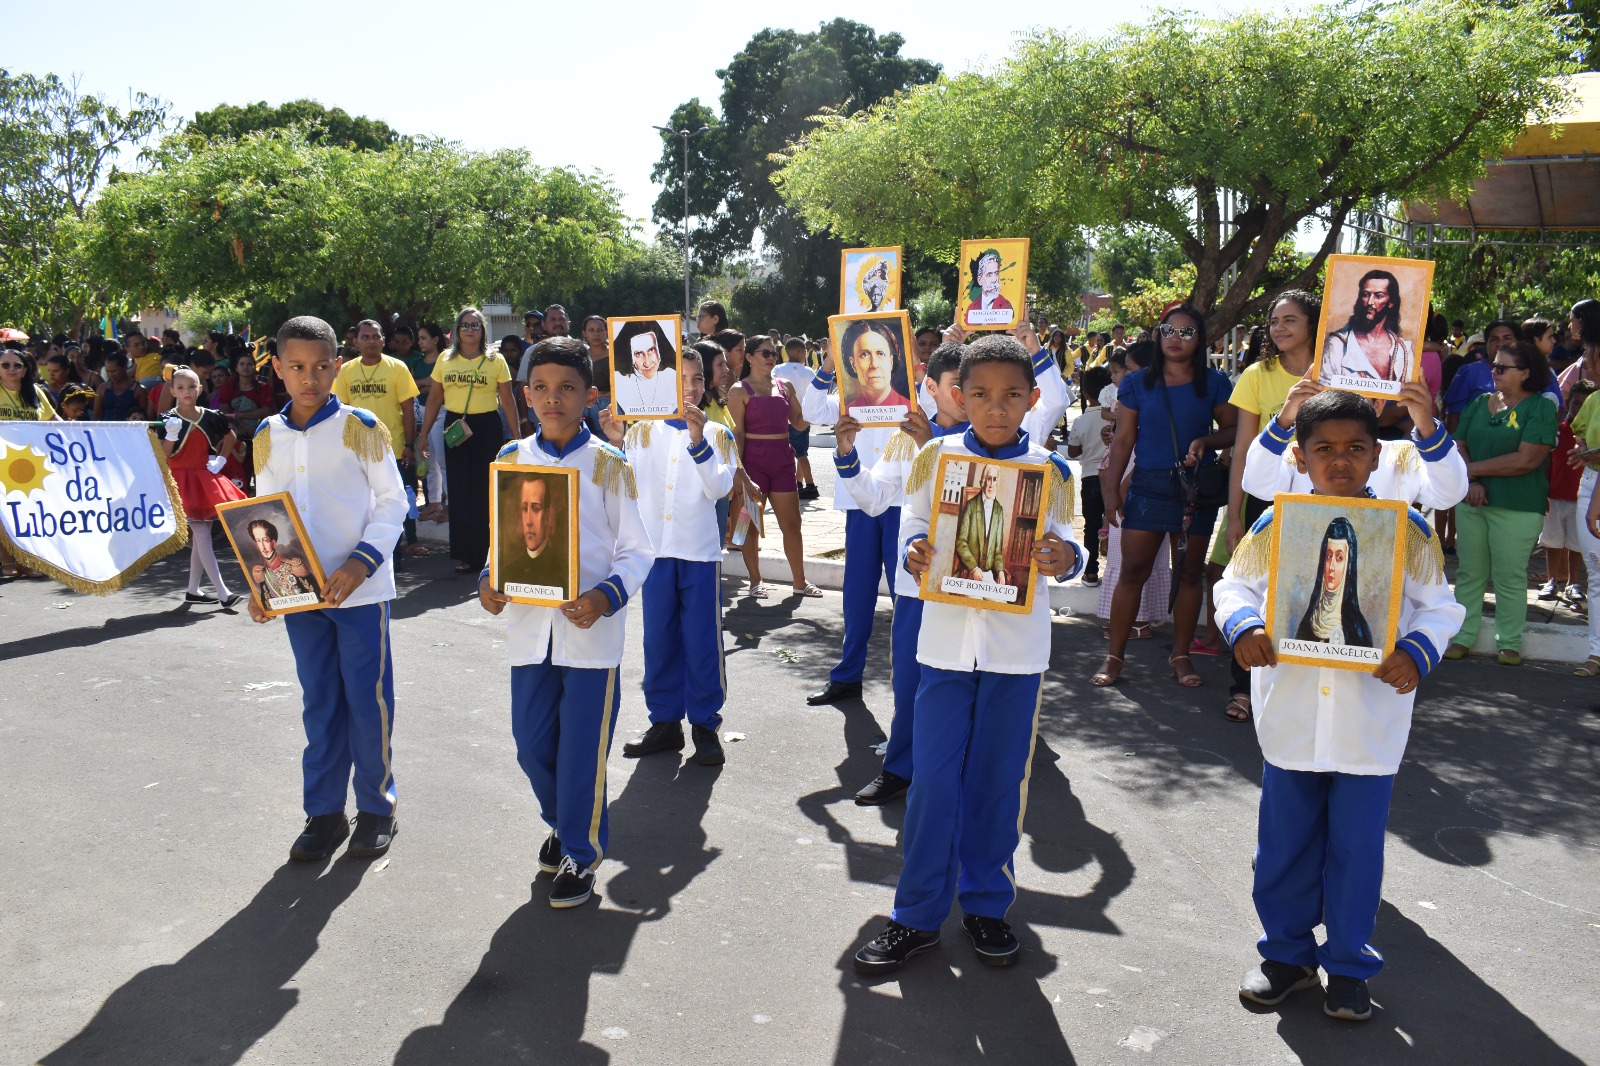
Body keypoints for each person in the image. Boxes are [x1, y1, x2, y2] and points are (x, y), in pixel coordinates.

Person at [1217, 388, 1463, 1023]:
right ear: (1300, 458)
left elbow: (1440, 608)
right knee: (1284, 848)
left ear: (1377, 455)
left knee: (1355, 854)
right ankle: (1285, 957)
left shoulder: (1406, 530)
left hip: (1368, 722)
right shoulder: (1277, 524)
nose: (1340, 460)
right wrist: (1244, 626)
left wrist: (1417, 650)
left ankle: (1350, 966)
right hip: (1292, 717)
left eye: (1356, 448)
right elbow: (1233, 586)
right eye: (1323, 449)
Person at [850, 334, 1085, 976]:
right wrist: (915, 551)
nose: (995, 407)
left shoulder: (1052, 471)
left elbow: (1071, 544)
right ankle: (916, 914)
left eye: (1011, 395)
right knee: (931, 783)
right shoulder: (936, 457)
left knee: (997, 782)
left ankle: (985, 904)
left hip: (1015, 655)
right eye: (980, 394)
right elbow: (914, 525)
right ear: (959, 395)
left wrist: (1064, 557)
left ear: (1032, 399)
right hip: (945, 651)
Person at [476, 336, 654, 908]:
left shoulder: (608, 463)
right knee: (530, 744)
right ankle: (563, 819)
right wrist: (489, 579)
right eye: (542, 388)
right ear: (526, 394)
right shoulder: (511, 459)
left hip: (590, 634)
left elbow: (637, 550)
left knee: (581, 752)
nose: (553, 399)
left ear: (589, 396)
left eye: (567, 388)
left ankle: (580, 850)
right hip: (530, 631)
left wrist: (605, 596)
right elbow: (502, 541)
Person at [249, 315, 409, 862]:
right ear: (277, 368)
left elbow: (393, 501)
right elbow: (263, 516)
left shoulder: (360, 426)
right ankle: (323, 813)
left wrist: (363, 562)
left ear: (337, 366)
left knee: (368, 701)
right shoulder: (267, 434)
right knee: (319, 701)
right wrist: (262, 587)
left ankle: (377, 808)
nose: (309, 377)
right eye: (296, 367)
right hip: (297, 594)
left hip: (359, 592)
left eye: (321, 366)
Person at [834, 342, 970, 807]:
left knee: (963, 682)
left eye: (972, 387)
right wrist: (846, 453)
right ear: (930, 387)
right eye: (957, 386)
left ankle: (958, 773)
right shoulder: (905, 438)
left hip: (971, 588)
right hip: (916, 587)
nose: (966, 396)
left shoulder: (988, 440)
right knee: (909, 681)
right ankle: (900, 768)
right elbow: (874, 499)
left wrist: (930, 443)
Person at [600, 345, 736, 767]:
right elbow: (623, 485)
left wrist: (697, 441)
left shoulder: (717, 434)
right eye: (681, 380)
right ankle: (664, 721)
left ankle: (705, 725)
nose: (691, 388)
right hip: (655, 552)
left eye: (698, 379)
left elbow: (720, 488)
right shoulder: (641, 432)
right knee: (658, 639)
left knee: (702, 641)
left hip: (699, 554)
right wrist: (616, 443)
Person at [1097, 307, 1236, 688]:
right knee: (1132, 572)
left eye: (1187, 332)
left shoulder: (1213, 381)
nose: (1177, 338)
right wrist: (1111, 493)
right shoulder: (1137, 382)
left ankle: (1181, 656)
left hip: (1194, 488)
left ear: (1200, 338)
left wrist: (1205, 441)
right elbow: (1123, 439)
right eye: (1169, 330)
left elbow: (1234, 429)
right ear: (1158, 335)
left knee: (1190, 574)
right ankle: (1114, 657)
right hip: (1148, 486)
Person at [1444, 340, 1558, 665]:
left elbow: (1526, 460)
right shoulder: (1480, 402)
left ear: (1525, 373)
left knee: (1509, 577)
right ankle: (1462, 635)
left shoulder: (1540, 408)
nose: (1493, 371)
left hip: (1517, 506)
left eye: (1501, 367)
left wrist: (1472, 472)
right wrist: (1473, 482)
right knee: (1469, 573)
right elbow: (1458, 444)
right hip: (1473, 501)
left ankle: (1509, 642)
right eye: (1493, 365)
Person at [419, 307, 521, 574]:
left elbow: (507, 400)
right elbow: (434, 399)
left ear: (482, 330)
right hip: (456, 427)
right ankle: (466, 554)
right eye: (465, 325)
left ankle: (490, 554)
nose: (470, 330)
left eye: (475, 325)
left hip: (487, 427)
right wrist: (423, 434)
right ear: (457, 329)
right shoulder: (445, 359)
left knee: (486, 490)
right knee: (460, 491)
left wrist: (518, 438)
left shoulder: (495, 360)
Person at [728, 333, 823, 599]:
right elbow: (737, 434)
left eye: (773, 353)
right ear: (749, 357)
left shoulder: (785, 386)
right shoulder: (738, 390)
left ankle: (799, 582)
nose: (771, 357)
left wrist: (824, 406)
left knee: (792, 524)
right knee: (747, 524)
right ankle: (755, 581)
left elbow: (799, 422)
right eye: (765, 353)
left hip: (782, 460)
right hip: (752, 463)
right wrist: (739, 472)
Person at [333, 320, 425, 563]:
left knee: (396, 502)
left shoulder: (397, 368)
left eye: (376, 337)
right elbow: (340, 411)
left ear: (384, 340)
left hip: (393, 449)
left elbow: (408, 409)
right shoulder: (346, 371)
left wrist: (409, 445)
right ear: (356, 341)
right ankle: (367, 556)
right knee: (364, 505)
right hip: (357, 451)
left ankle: (399, 552)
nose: (371, 341)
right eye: (365, 337)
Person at [1537, 379, 1592, 607]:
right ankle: (1552, 580)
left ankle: (1573, 582)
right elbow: (1546, 462)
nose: (1580, 408)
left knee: (1576, 543)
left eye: (1586, 404)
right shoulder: (1557, 431)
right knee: (1552, 540)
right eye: (1577, 403)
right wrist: (1543, 491)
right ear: (1568, 403)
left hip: (1582, 498)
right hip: (1555, 494)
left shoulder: (1593, 435)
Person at [1318, 270, 1414, 388]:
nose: (1370, 302)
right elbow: (1324, 390)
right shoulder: (1336, 345)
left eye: (1378, 296)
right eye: (1365, 294)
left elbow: (1409, 394)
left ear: (1391, 302)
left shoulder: (1403, 350)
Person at [1067, 365, 1114, 586]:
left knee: (1091, 525)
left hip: (1089, 477)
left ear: (1085, 393)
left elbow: (1072, 451)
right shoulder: (1116, 417)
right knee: (1116, 525)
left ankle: (1091, 572)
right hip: (1114, 475)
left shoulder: (1080, 421)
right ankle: (1114, 571)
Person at [499, 475, 570, 594]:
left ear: (546, 515)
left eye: (536, 509)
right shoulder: (508, 573)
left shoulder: (564, 573)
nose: (528, 521)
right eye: (524, 509)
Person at [774, 336, 819, 499]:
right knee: (802, 452)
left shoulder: (778, 370)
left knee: (796, 453)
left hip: (784, 417)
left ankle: (801, 484)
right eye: (805, 352)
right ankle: (807, 484)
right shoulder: (809, 372)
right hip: (804, 417)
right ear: (800, 352)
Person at [839, 319, 911, 417]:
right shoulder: (848, 415)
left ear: (891, 361)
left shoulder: (910, 411)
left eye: (881, 354)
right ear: (853, 364)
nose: (874, 364)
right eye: (864, 355)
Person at [413, 323, 449, 519]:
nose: (420, 342)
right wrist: (426, 384)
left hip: (441, 412)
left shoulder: (445, 360)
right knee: (429, 460)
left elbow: (438, 389)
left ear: (435, 340)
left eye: (423, 338)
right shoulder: (418, 362)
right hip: (422, 411)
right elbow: (414, 385)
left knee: (443, 460)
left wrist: (427, 385)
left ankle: (449, 504)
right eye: (419, 338)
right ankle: (434, 503)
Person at [611, 320, 679, 417]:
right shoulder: (619, 381)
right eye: (638, 353)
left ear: (659, 349)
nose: (647, 362)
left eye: (651, 350)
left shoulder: (674, 377)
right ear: (629, 355)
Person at [954, 464, 1007, 583]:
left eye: (994, 479)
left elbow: (997, 550)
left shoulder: (999, 510)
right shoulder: (971, 506)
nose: (991, 484)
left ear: (997, 483)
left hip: (988, 575)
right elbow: (961, 542)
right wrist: (973, 568)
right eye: (989, 479)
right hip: (969, 572)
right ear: (983, 481)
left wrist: (1000, 571)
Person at [248, 518, 318, 602]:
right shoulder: (262, 573)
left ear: (273, 543)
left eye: (265, 540)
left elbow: (315, 595)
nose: (262, 546)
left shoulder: (294, 567)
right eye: (258, 541)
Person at [0, 350, 57, 422]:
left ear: (24, 371)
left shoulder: (35, 390)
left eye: (17, 365)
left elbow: (53, 419)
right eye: (5, 365)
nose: (11, 369)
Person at [962, 248, 1013, 327]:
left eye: (996, 274)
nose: (994, 279)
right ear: (980, 280)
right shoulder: (971, 308)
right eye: (989, 275)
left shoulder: (1006, 305)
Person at [92, 352, 146, 422]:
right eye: (108, 371)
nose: (110, 375)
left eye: (114, 371)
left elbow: (144, 417)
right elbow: (96, 416)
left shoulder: (139, 390)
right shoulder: (102, 388)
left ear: (124, 368)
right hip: (106, 428)